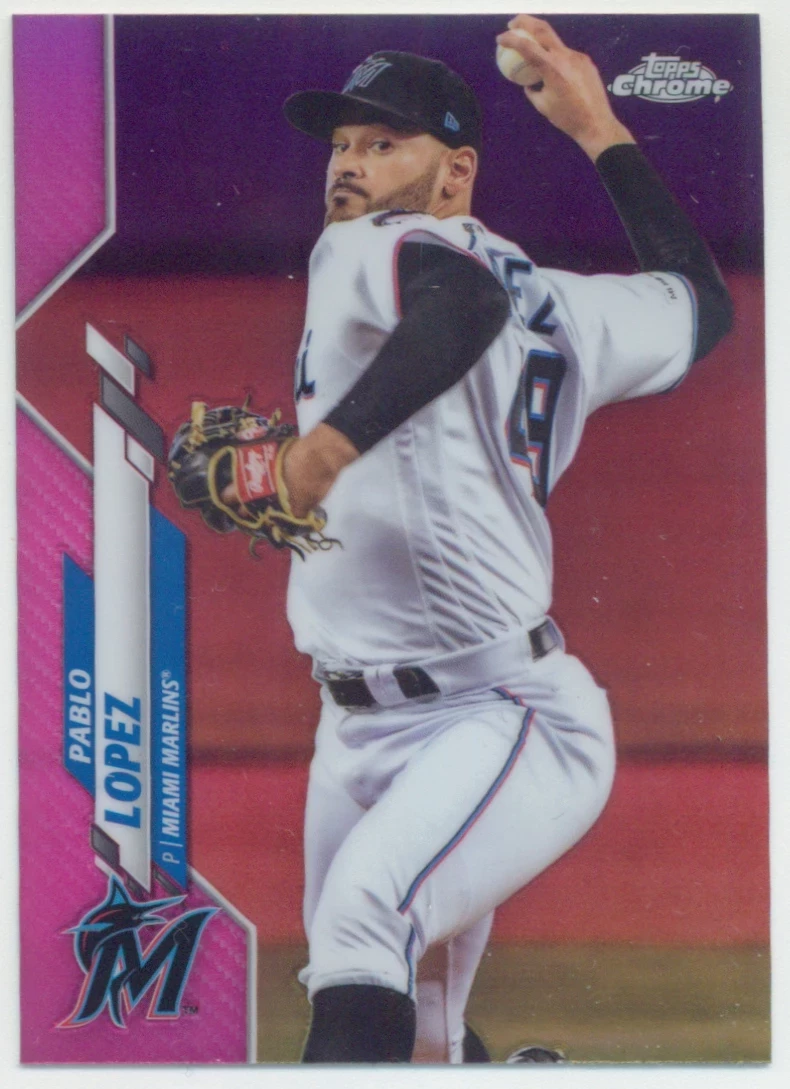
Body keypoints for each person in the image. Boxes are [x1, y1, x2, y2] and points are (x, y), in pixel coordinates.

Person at [267, 14, 732, 1063]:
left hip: (498, 713)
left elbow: (463, 300)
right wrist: (598, 128)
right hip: (360, 727)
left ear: (456, 172)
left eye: (384, 142)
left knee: (362, 926)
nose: (348, 164)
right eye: (342, 143)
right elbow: (701, 307)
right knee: (417, 1033)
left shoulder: (368, 245)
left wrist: (324, 451)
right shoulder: (567, 307)